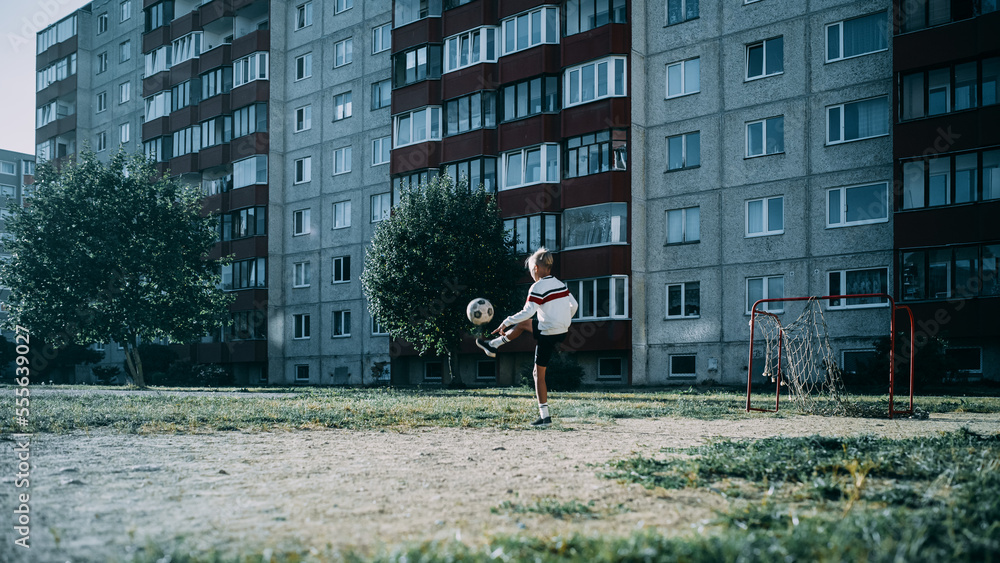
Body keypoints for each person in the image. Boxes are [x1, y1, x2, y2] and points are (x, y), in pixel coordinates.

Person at [476, 247, 578, 427]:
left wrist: (506, 322)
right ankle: (493, 345)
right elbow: (574, 304)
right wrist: (564, 319)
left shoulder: (537, 286)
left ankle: (545, 417)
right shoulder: (560, 284)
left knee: (538, 374)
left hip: (548, 332)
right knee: (524, 324)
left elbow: (527, 311)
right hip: (561, 330)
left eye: (530, 269)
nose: (531, 273)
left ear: (536, 269)